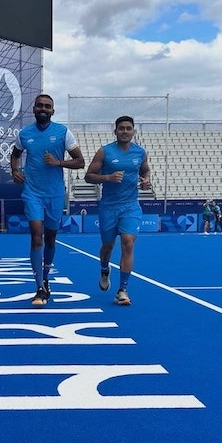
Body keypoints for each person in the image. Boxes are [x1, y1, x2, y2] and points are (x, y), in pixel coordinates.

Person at [9, 94, 85, 306]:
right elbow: (15, 155)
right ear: (33, 109)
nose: (43, 109)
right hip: (32, 192)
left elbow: (80, 161)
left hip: (55, 194)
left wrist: (58, 162)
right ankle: (39, 288)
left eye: (48, 106)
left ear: (53, 111)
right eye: (40, 105)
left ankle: (45, 276)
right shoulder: (24, 134)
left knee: (50, 238)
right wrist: (14, 171)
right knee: (36, 236)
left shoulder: (63, 132)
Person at [84, 115, 151, 306]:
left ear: (133, 131)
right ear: (115, 131)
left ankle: (122, 290)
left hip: (130, 206)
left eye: (128, 128)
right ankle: (104, 268)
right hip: (108, 207)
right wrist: (108, 178)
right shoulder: (104, 152)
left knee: (128, 243)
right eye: (121, 128)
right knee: (107, 247)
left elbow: (145, 171)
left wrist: (146, 181)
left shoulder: (140, 152)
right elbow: (89, 176)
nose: (125, 131)